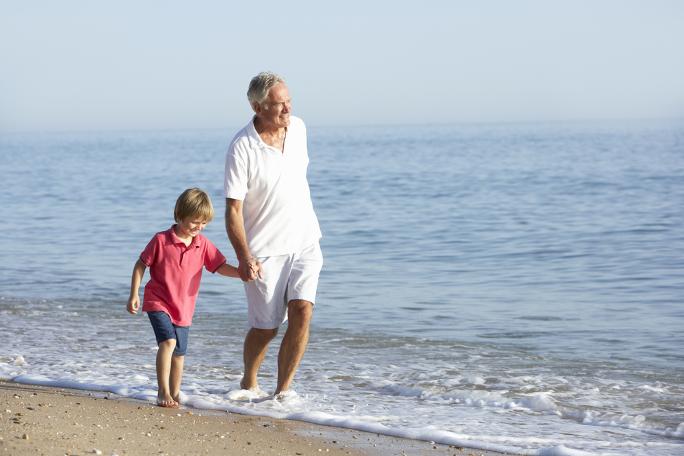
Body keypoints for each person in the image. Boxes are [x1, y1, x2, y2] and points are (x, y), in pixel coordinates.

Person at [224, 71, 323, 397]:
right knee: (266, 328)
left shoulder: (299, 129)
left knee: (302, 311)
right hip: (265, 250)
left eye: (289, 101)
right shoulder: (242, 147)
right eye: (278, 104)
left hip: (306, 240)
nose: (286, 110)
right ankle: (249, 381)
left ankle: (283, 392)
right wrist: (244, 257)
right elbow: (233, 210)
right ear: (257, 107)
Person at [127, 188, 239, 408]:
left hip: (184, 308)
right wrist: (134, 293)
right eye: (194, 222)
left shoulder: (202, 244)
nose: (198, 227)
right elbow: (141, 265)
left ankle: (175, 393)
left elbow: (219, 266)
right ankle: (162, 392)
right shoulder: (161, 240)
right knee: (168, 342)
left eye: (204, 223)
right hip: (157, 300)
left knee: (179, 353)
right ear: (179, 216)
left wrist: (241, 273)